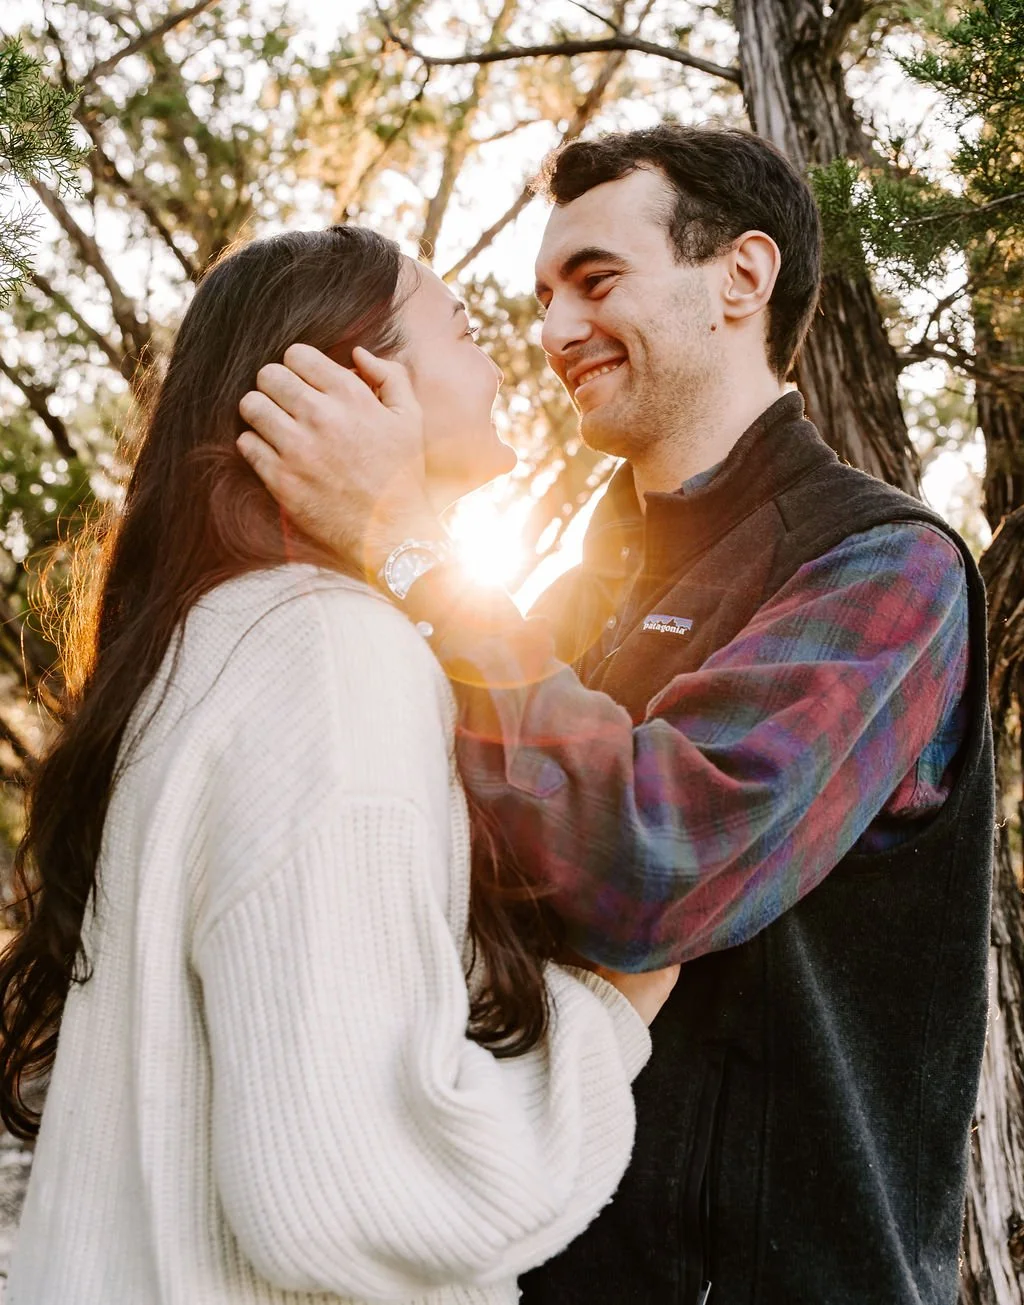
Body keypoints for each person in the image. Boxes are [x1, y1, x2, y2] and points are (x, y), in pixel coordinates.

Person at [234, 126, 995, 1305]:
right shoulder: (573, 594)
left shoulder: (884, 569)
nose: (553, 333)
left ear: (742, 277)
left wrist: (403, 542)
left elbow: (660, 861)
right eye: (541, 297)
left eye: (597, 280)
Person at [0, 225, 679, 1305]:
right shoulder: (330, 653)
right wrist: (607, 1018)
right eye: (461, 329)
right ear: (355, 380)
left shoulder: (217, 641)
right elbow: (349, 1191)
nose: (508, 353)